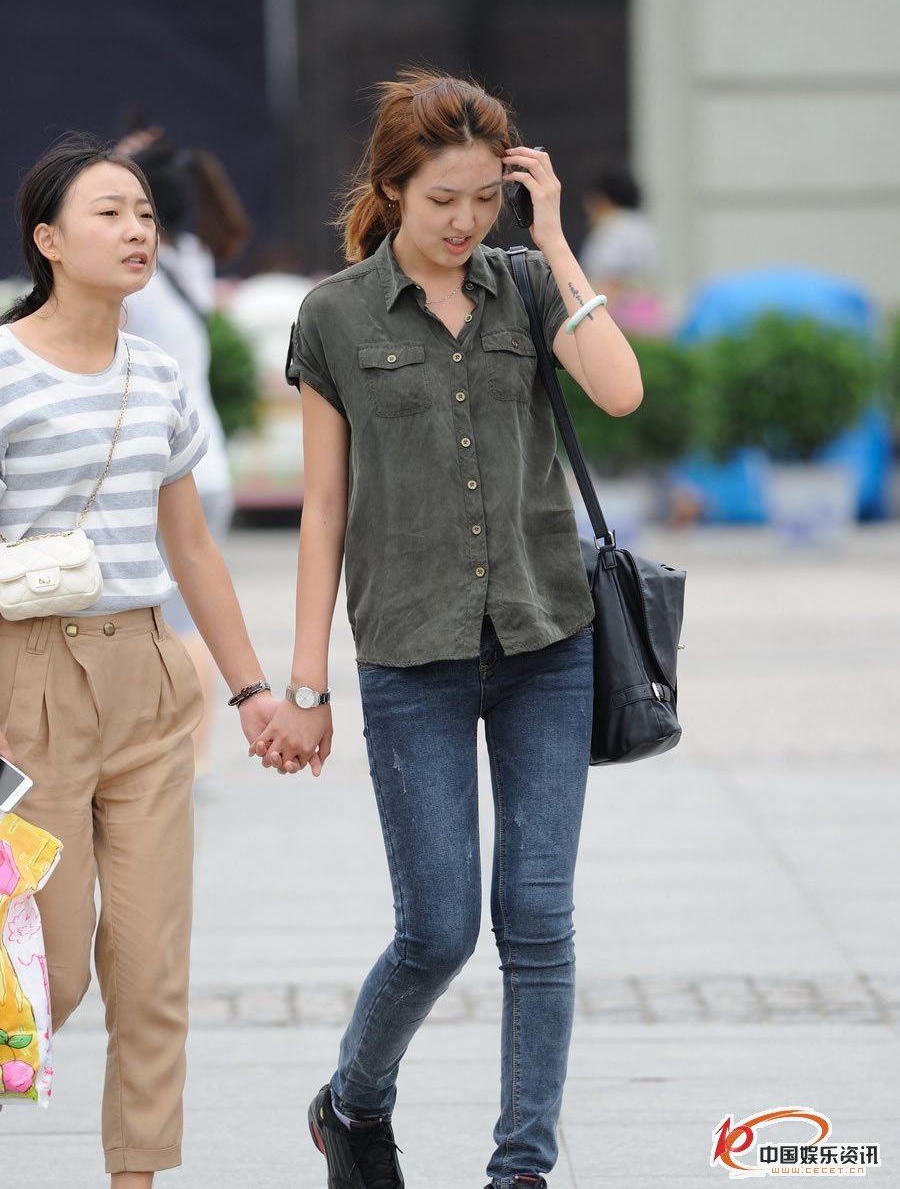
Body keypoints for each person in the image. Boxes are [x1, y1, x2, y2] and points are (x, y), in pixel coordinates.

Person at [253, 70, 643, 1189]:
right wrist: (306, 687)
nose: (466, 220)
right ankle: (352, 1101)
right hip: (410, 655)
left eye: (485, 197)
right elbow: (323, 507)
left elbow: (621, 392)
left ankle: (522, 1167)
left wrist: (554, 237)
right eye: (442, 200)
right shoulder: (334, 315)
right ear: (391, 189)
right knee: (436, 928)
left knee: (539, 922)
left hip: (547, 641)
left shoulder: (526, 285)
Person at [0, 135, 276, 1187]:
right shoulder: (3, 368)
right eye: (109, 213)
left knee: (151, 968)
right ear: (47, 240)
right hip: (29, 685)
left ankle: (138, 1176)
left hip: (150, 677)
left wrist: (250, 690)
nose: (137, 231)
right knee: (50, 973)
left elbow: (192, 548)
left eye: (146, 215)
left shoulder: (157, 373)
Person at [119, 128, 251, 778]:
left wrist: (117, 164)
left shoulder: (138, 281)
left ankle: (188, 757)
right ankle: (193, 753)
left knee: (173, 622)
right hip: (210, 460)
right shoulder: (192, 260)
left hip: (170, 466)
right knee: (186, 615)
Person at [579, 168, 666, 335]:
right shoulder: (641, 225)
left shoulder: (612, 228)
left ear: (601, 199)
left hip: (619, 317)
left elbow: (610, 280)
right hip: (648, 314)